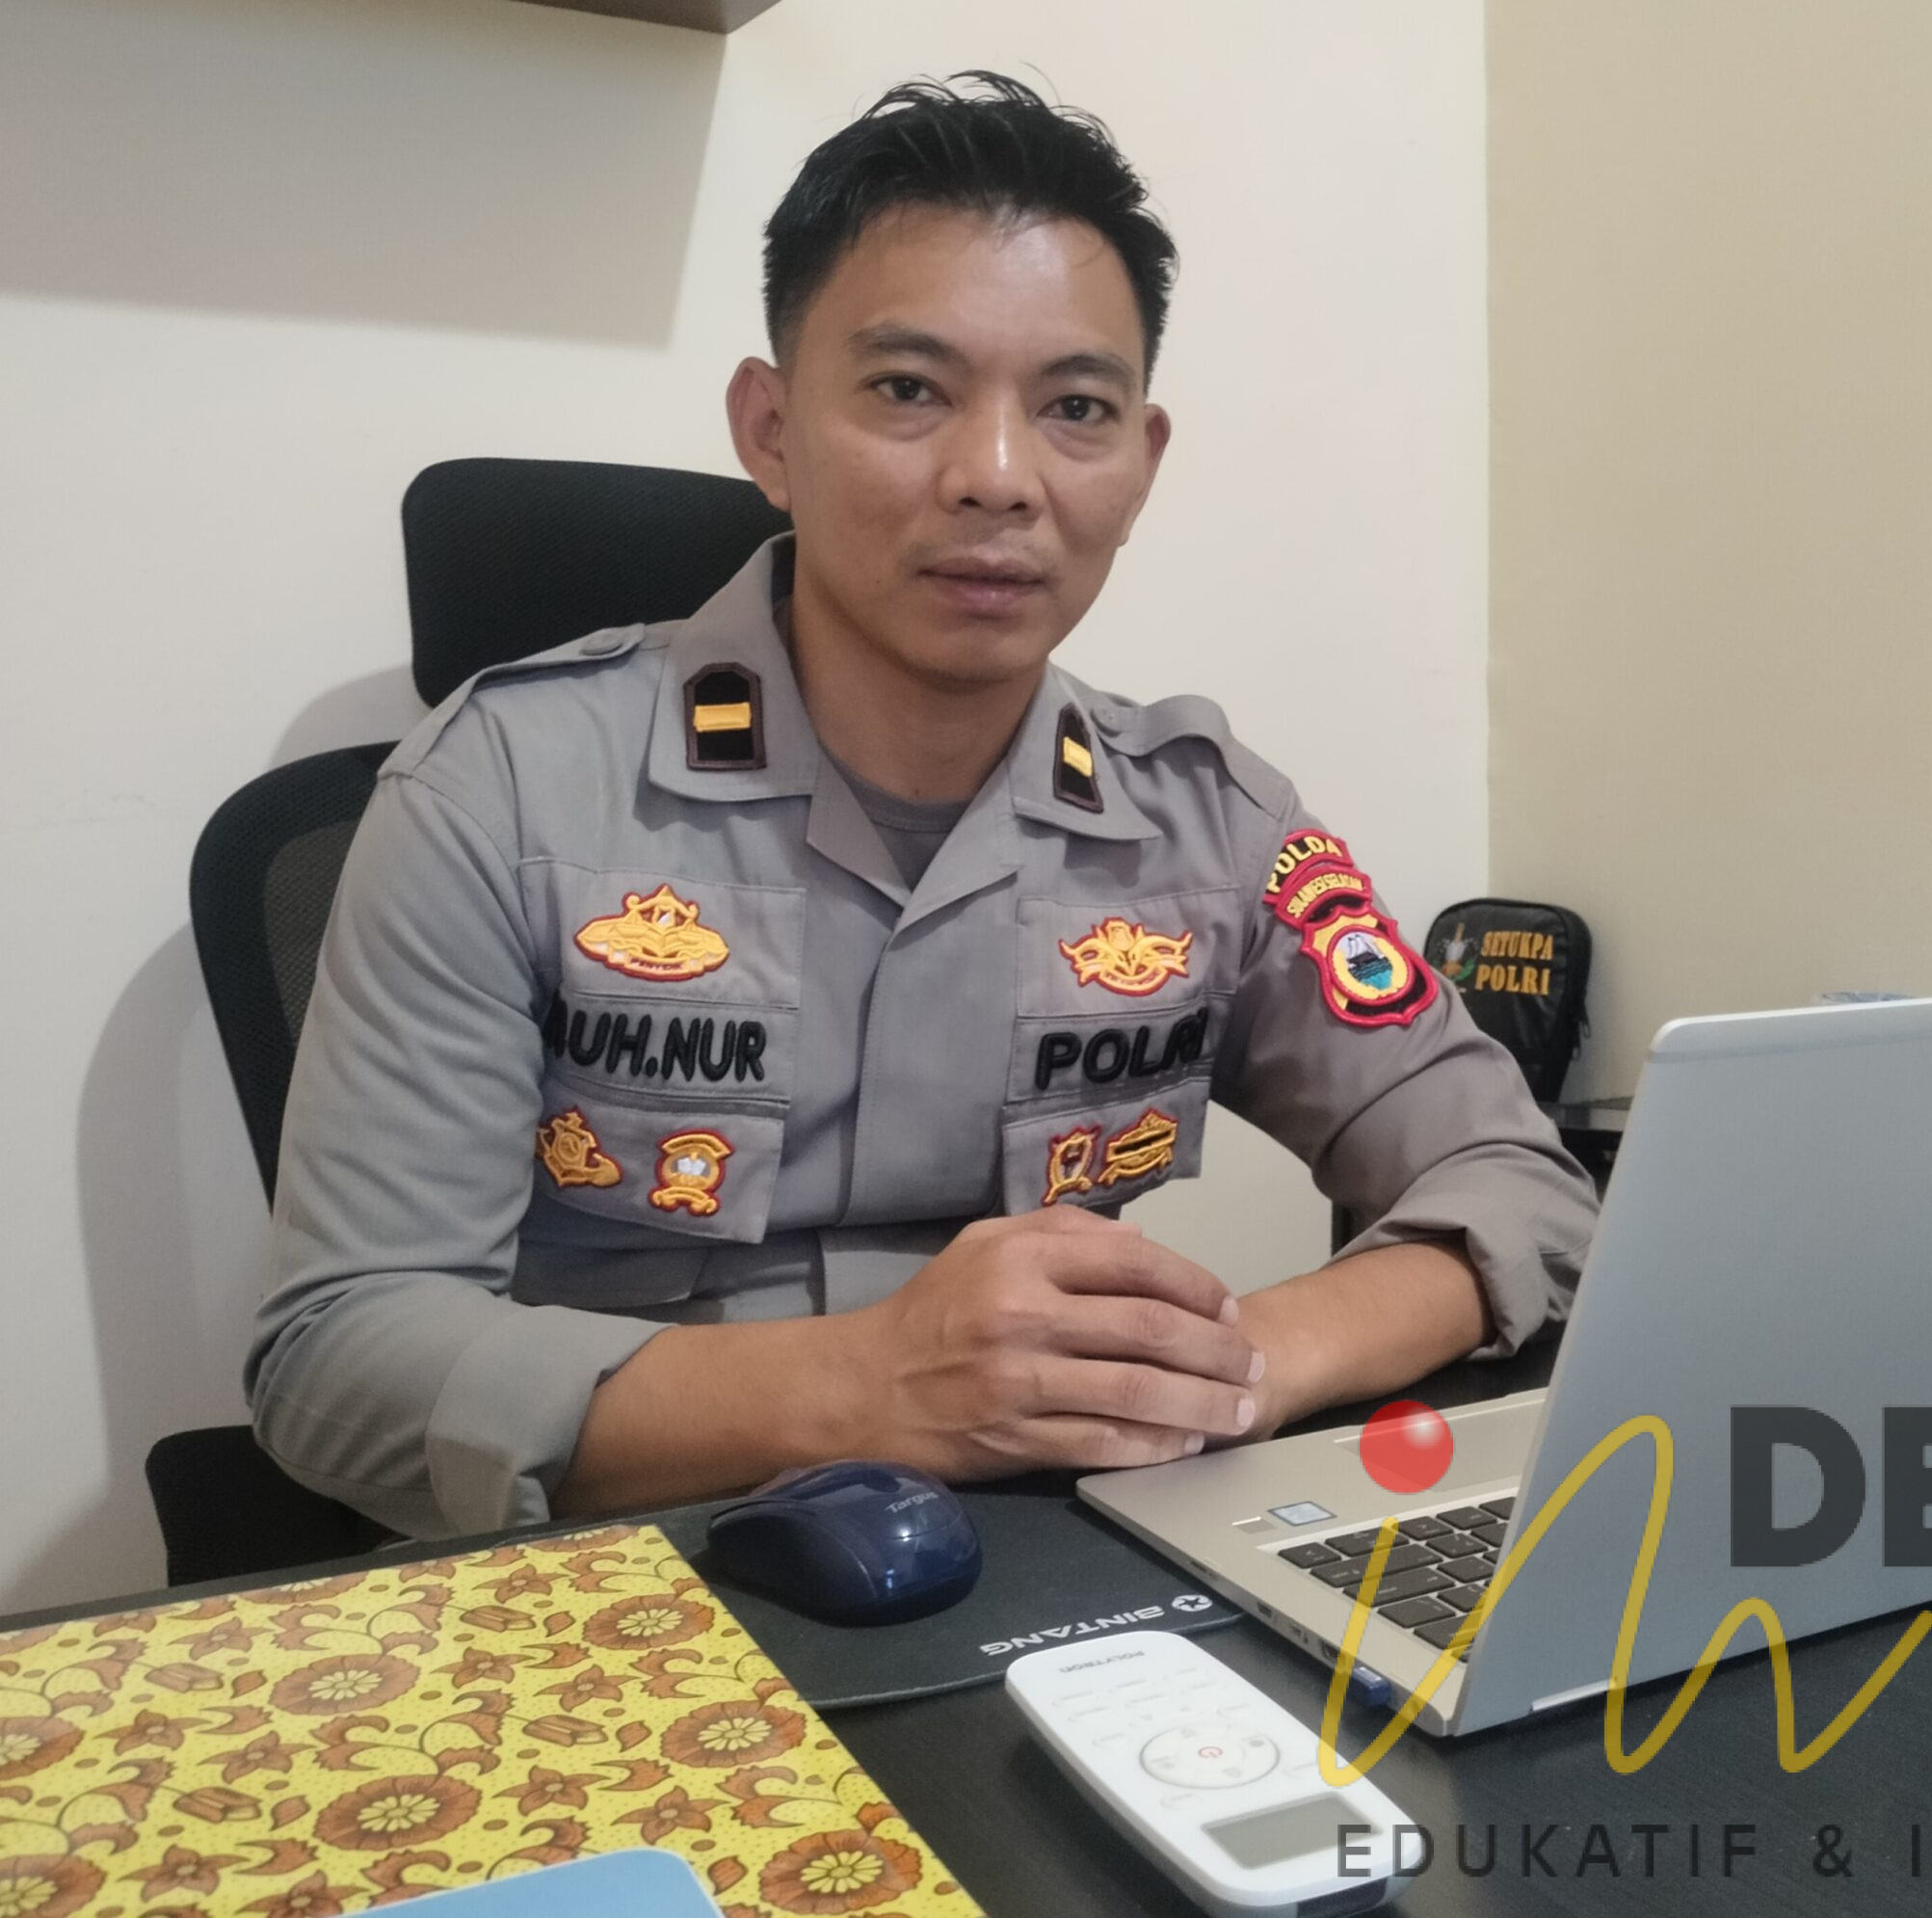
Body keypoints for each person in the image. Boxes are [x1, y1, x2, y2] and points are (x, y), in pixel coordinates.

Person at [247, 72, 1598, 1539]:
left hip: (1068, 1560)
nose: (997, 478)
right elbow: (340, 1355)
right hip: (623, 1578)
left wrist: (1245, 1363)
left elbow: (1518, 1180)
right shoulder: (501, 793)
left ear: (1142, 464)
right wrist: (867, 1387)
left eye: (1074, 408)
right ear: (770, 429)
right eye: (909, 390)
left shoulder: (1212, 830)